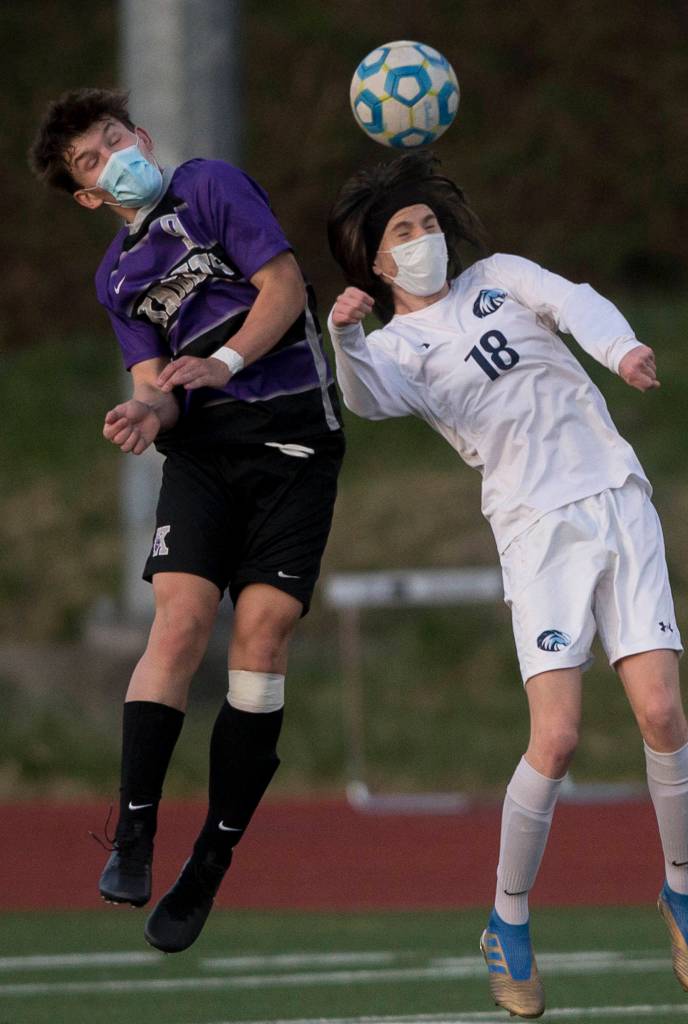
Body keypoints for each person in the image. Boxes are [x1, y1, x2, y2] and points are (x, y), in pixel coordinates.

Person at [326, 151, 688, 1018]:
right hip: (537, 533)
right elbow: (366, 398)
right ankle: (507, 921)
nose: (425, 237)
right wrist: (345, 334)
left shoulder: (500, 275)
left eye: (429, 222)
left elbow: (574, 302)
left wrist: (621, 349)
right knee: (560, 737)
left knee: (660, 711)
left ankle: (683, 893)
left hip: (617, 497)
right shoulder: (394, 346)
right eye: (404, 231)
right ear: (376, 262)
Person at [29, 88, 344, 954]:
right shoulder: (116, 278)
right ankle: (134, 835)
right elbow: (154, 384)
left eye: (113, 139)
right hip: (204, 456)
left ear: (144, 136)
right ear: (88, 196)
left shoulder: (208, 187)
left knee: (265, 633)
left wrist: (225, 361)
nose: (111, 156)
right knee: (178, 621)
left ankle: (211, 859)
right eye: (91, 160)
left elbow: (283, 287)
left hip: (292, 441)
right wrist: (147, 417)